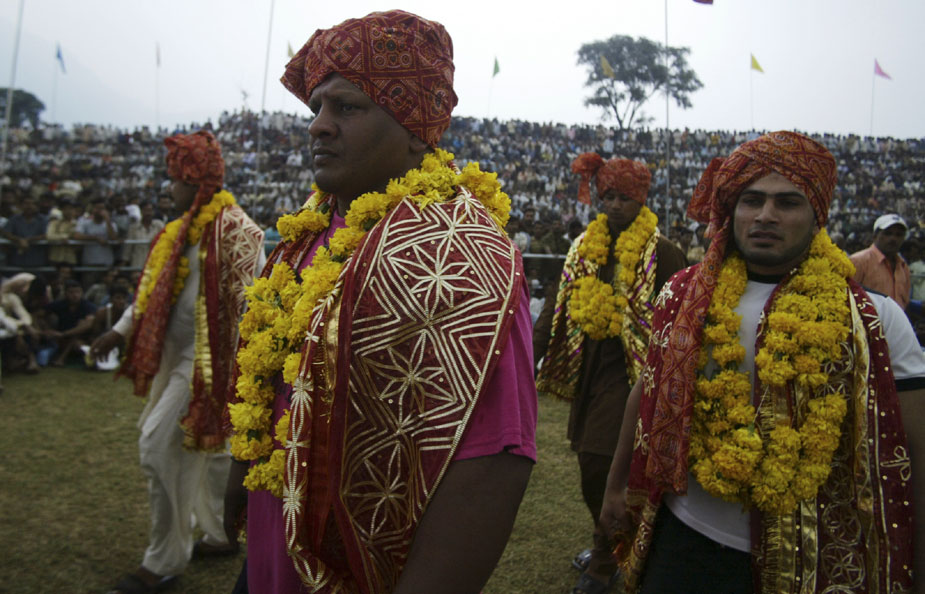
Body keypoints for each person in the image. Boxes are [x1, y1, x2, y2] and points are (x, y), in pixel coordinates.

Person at [225, 11, 536, 594]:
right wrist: (241, 474)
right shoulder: (309, 229)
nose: (318, 126)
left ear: (417, 129)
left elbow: (493, 459)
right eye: (317, 107)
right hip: (273, 541)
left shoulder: (460, 255)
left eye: (346, 108)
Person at [599, 131, 925, 593]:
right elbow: (646, 390)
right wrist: (615, 485)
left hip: (815, 556)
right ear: (732, 210)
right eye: (752, 200)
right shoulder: (684, 294)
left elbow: (915, 447)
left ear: (817, 215)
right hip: (682, 537)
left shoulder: (875, 318)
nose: (766, 215)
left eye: (787, 203)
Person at [89, 130, 265, 594]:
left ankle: (164, 562)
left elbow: (250, 308)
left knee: (158, 444)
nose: (168, 189)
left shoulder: (239, 232)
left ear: (195, 181)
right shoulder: (178, 230)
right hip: (177, 356)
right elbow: (151, 292)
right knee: (211, 451)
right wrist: (120, 330)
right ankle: (221, 534)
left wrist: (240, 376)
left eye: (174, 180)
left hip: (211, 362)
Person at [533, 153, 686, 594]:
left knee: (600, 463)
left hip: (633, 373)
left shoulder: (663, 252)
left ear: (642, 200)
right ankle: (614, 542)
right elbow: (557, 305)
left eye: (625, 198)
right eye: (609, 197)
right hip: (588, 366)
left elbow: (681, 319)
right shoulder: (585, 246)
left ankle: (605, 559)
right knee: (589, 461)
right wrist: (528, 357)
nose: (615, 205)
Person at [850, 213, 912, 310]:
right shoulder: (859, 261)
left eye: (898, 235)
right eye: (888, 233)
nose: (893, 239)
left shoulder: (903, 266)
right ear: (875, 236)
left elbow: (905, 302)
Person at [1, 196, 48, 270]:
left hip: (37, 260)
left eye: (32, 204)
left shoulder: (43, 219)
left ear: (37, 206)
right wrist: (19, 240)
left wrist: (28, 240)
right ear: (20, 205)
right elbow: (6, 233)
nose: (29, 206)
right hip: (17, 260)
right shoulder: (14, 219)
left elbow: (47, 234)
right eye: (26, 203)